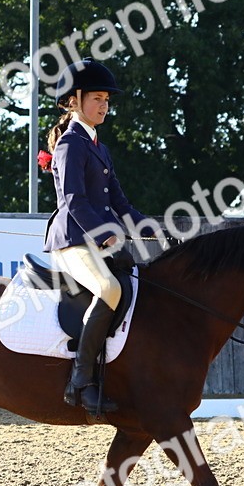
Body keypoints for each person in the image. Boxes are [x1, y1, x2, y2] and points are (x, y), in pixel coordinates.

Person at [43, 58, 157, 418]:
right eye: (97, 98)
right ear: (74, 101)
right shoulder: (70, 145)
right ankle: (80, 380)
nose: (104, 104)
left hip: (96, 242)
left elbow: (119, 202)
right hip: (73, 242)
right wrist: (103, 233)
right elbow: (75, 201)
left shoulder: (100, 148)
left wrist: (151, 227)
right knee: (109, 288)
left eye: (107, 99)